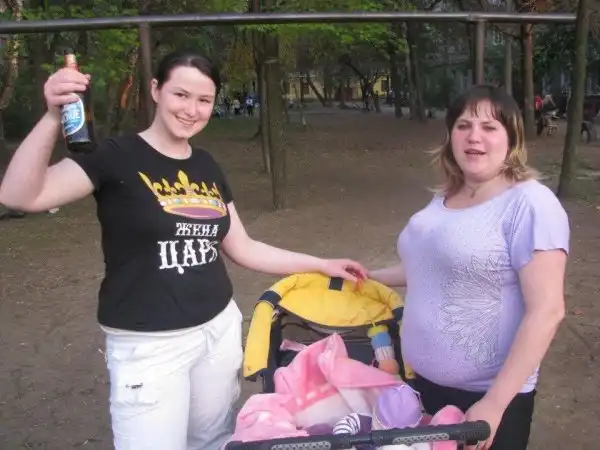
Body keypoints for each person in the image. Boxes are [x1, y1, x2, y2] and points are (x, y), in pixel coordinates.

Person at [0, 50, 367, 450]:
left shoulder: (206, 165)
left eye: (204, 100)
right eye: (180, 95)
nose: (191, 110)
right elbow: (20, 196)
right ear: (156, 90)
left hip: (217, 331)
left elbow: (243, 246)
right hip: (150, 345)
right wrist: (53, 116)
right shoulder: (115, 156)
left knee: (212, 440)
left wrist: (321, 264)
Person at [368, 85, 569, 450]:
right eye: (463, 125)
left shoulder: (530, 204)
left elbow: (547, 311)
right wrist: (366, 277)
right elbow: (427, 269)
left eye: (489, 127)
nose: (474, 136)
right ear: (450, 137)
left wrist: (494, 404)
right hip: (421, 386)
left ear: (512, 138)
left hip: (485, 400)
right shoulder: (444, 197)